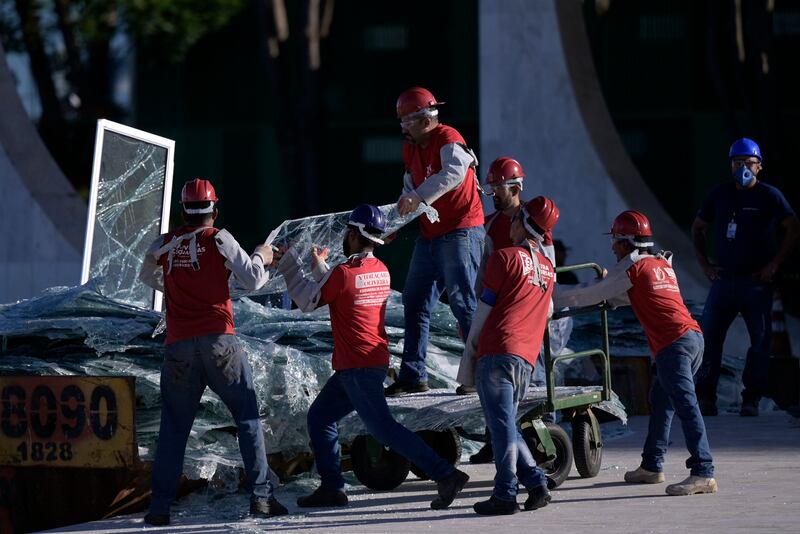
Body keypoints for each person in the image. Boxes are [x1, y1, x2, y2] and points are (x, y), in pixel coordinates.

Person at [276, 204, 470, 509]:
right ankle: (332, 488)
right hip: (368, 363)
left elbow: (308, 300)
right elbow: (340, 289)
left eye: (347, 233)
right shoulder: (379, 270)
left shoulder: (343, 273)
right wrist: (316, 266)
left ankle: (446, 474)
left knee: (385, 429)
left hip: (357, 367)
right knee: (320, 417)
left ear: (353, 235)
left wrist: (289, 264)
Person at [138, 179, 286, 526]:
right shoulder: (219, 238)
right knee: (247, 420)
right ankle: (262, 498)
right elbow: (252, 281)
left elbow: (147, 275)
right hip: (220, 342)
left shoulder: (165, 244)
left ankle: (159, 509)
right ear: (214, 210)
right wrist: (260, 257)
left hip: (178, 347)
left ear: (182, 211)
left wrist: (175, 284)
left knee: (173, 429)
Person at [555, 210, 717, 496]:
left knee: (685, 406)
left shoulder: (632, 265)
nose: (612, 248)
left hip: (674, 345)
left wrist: (547, 291)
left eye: (615, 242)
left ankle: (703, 471)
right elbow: (628, 295)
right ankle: (652, 466)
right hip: (692, 339)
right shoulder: (659, 264)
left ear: (626, 242)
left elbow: (591, 293)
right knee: (662, 400)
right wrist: (609, 291)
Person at [458, 196, 559, 515]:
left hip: (497, 354)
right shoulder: (548, 270)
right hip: (525, 362)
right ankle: (536, 482)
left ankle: (504, 494)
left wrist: (469, 355)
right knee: (506, 425)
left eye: (515, 219)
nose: (510, 224)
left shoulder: (503, 258)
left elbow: (482, 314)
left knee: (501, 427)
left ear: (522, 224)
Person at [387, 86, 485, 396]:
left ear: (424, 119)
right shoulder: (411, 148)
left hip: (461, 230)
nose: (403, 127)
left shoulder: (448, 138)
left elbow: (454, 172)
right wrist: (395, 222)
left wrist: (416, 198)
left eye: (406, 121)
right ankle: (413, 375)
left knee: (464, 303)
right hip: (432, 234)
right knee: (414, 301)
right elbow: (408, 190)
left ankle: (478, 375)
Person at [692, 138, 799, 416]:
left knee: (760, 341)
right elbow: (699, 228)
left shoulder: (769, 196)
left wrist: (775, 264)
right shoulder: (720, 195)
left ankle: (751, 398)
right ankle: (706, 396)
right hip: (724, 281)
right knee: (710, 338)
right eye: (737, 162)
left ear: (759, 166)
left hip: (757, 283)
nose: (743, 167)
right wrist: (705, 264)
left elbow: (792, 226)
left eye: (748, 162)